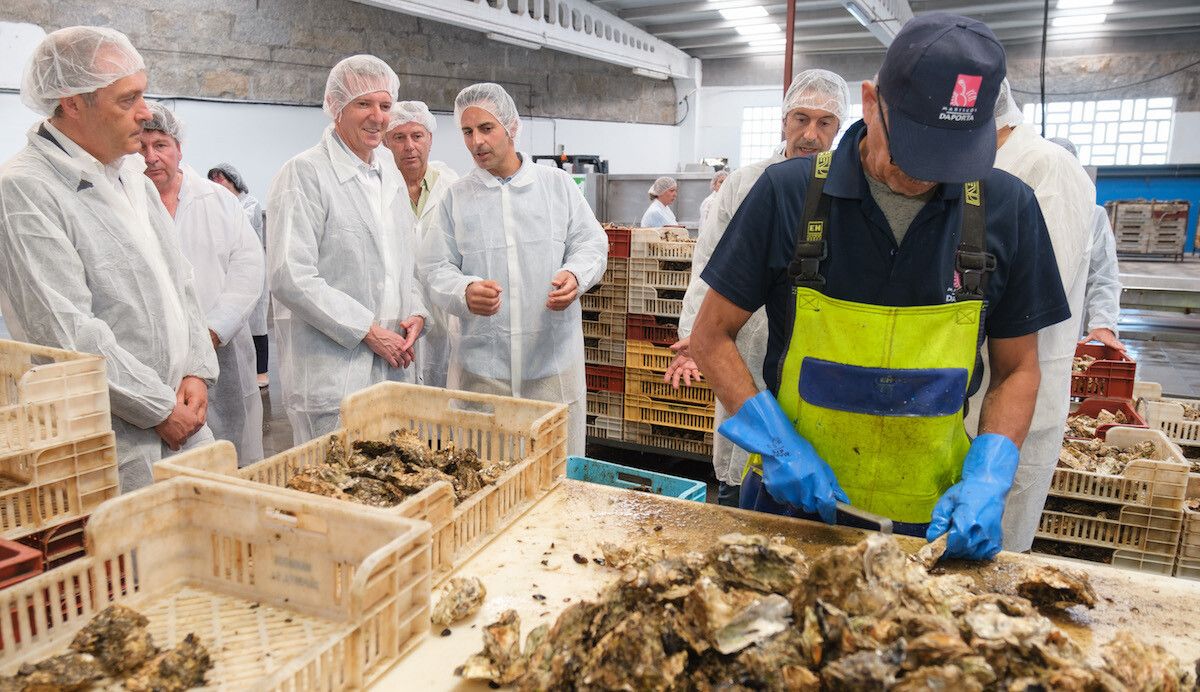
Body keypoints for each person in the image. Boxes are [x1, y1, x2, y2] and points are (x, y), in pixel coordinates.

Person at [690, 14, 1070, 560]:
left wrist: (990, 476)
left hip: (931, 525)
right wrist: (776, 446)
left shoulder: (1008, 209)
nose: (929, 174)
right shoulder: (787, 195)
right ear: (872, 103)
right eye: (916, 148)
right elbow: (710, 337)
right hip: (792, 514)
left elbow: (1017, 368)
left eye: (951, 156)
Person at [0, 26, 218, 491]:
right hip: (114, 437)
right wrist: (157, 407)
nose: (146, 114)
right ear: (72, 102)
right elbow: (63, 330)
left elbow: (179, 282)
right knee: (133, 560)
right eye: (127, 100)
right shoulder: (26, 188)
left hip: (183, 412)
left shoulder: (130, 174)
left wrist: (197, 368)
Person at [668, 68, 851, 508]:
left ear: (839, 128)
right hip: (744, 345)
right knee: (743, 464)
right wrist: (696, 336)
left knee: (812, 466)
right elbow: (708, 263)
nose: (810, 133)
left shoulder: (848, 190)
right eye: (800, 119)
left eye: (824, 122)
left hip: (818, 353)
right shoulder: (747, 183)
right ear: (783, 122)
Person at [418, 83, 608, 455]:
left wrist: (575, 275)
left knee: (555, 479)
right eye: (467, 132)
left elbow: (592, 242)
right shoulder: (457, 197)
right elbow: (433, 267)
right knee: (487, 479)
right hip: (484, 373)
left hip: (551, 366)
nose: (476, 142)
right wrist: (464, 291)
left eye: (486, 129)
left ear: (511, 127)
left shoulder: (556, 186)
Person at [268, 55, 427, 443]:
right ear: (337, 107)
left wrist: (416, 311)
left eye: (385, 106)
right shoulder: (305, 173)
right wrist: (367, 330)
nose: (377, 117)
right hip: (334, 374)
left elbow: (405, 260)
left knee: (392, 485)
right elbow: (290, 275)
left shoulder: (388, 171)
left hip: (394, 362)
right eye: (364, 104)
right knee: (335, 487)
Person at [970, 81, 1096, 552]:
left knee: (996, 550)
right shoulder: (974, 165)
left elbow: (1043, 287)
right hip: (965, 389)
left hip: (1021, 390)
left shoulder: (1048, 167)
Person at [141, 103, 266, 465]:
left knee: (233, 454)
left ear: (179, 149)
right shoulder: (125, 201)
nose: (151, 157)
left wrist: (209, 334)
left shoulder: (219, 201)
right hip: (156, 361)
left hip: (222, 350)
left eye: (161, 145)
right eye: (142, 146)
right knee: (171, 466)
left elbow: (247, 270)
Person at [382, 101, 460, 388]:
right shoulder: (378, 188)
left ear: (430, 139)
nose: (409, 146)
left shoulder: (453, 187)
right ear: (386, 142)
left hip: (446, 310)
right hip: (398, 312)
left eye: (417, 136)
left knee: (446, 391)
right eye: (399, 137)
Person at [1048, 138, 1126, 352]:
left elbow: (1103, 274)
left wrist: (1103, 323)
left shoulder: (1093, 214)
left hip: (1065, 331)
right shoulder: (1022, 204)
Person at [208, 162, 271, 388]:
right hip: (229, 269)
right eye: (213, 179)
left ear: (233, 179)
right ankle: (243, 373)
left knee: (257, 325)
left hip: (253, 269)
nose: (216, 183)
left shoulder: (250, 204)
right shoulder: (216, 206)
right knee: (234, 324)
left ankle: (262, 371)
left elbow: (237, 226)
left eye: (220, 178)